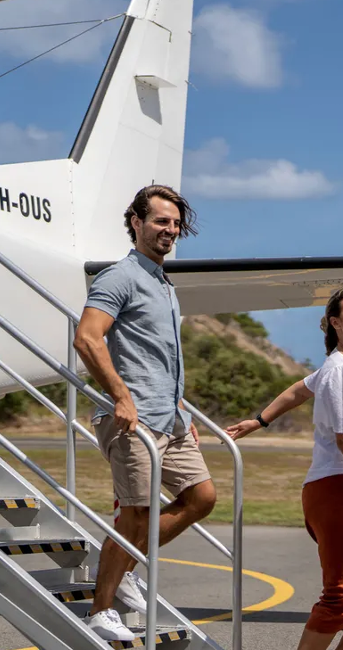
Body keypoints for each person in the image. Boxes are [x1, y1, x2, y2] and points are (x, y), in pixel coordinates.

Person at [226, 285, 343, 650]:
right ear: (335, 322)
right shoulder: (339, 370)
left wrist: (260, 420)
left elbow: (300, 389)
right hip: (338, 486)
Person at [73, 185, 217, 642]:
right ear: (135, 222)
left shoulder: (163, 283)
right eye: (160, 221)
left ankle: (126, 565)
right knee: (135, 514)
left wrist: (181, 409)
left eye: (175, 224)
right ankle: (100, 610)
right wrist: (120, 396)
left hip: (168, 419)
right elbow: (88, 338)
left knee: (202, 497)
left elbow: (159, 356)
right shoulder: (119, 277)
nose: (169, 231)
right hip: (131, 420)